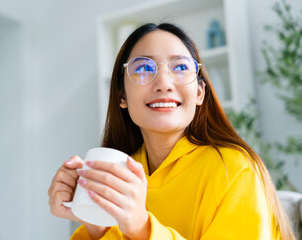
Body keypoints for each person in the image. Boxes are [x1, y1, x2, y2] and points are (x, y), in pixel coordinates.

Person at [47, 23, 295, 240]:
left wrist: (142, 228)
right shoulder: (120, 173)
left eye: (180, 67)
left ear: (199, 93)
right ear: (121, 95)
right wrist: (95, 225)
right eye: (144, 68)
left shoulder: (235, 169)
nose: (164, 83)